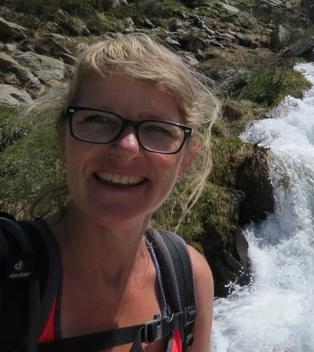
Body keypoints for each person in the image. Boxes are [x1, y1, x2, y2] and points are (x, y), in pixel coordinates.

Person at [0, 33, 216, 351]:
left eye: (157, 129)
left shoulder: (189, 278)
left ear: (186, 158)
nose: (126, 147)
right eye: (98, 120)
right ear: (64, 138)